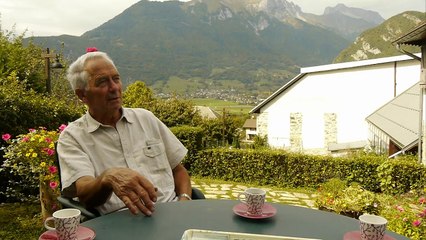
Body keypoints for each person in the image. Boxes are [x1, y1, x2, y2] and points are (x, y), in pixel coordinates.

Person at [57, 50, 192, 216]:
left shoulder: (146, 118)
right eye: (102, 82)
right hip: (122, 224)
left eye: (116, 79)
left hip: (172, 215)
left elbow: (178, 170)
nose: (114, 88)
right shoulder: (73, 137)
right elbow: (85, 194)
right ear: (82, 94)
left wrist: (184, 202)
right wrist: (107, 178)